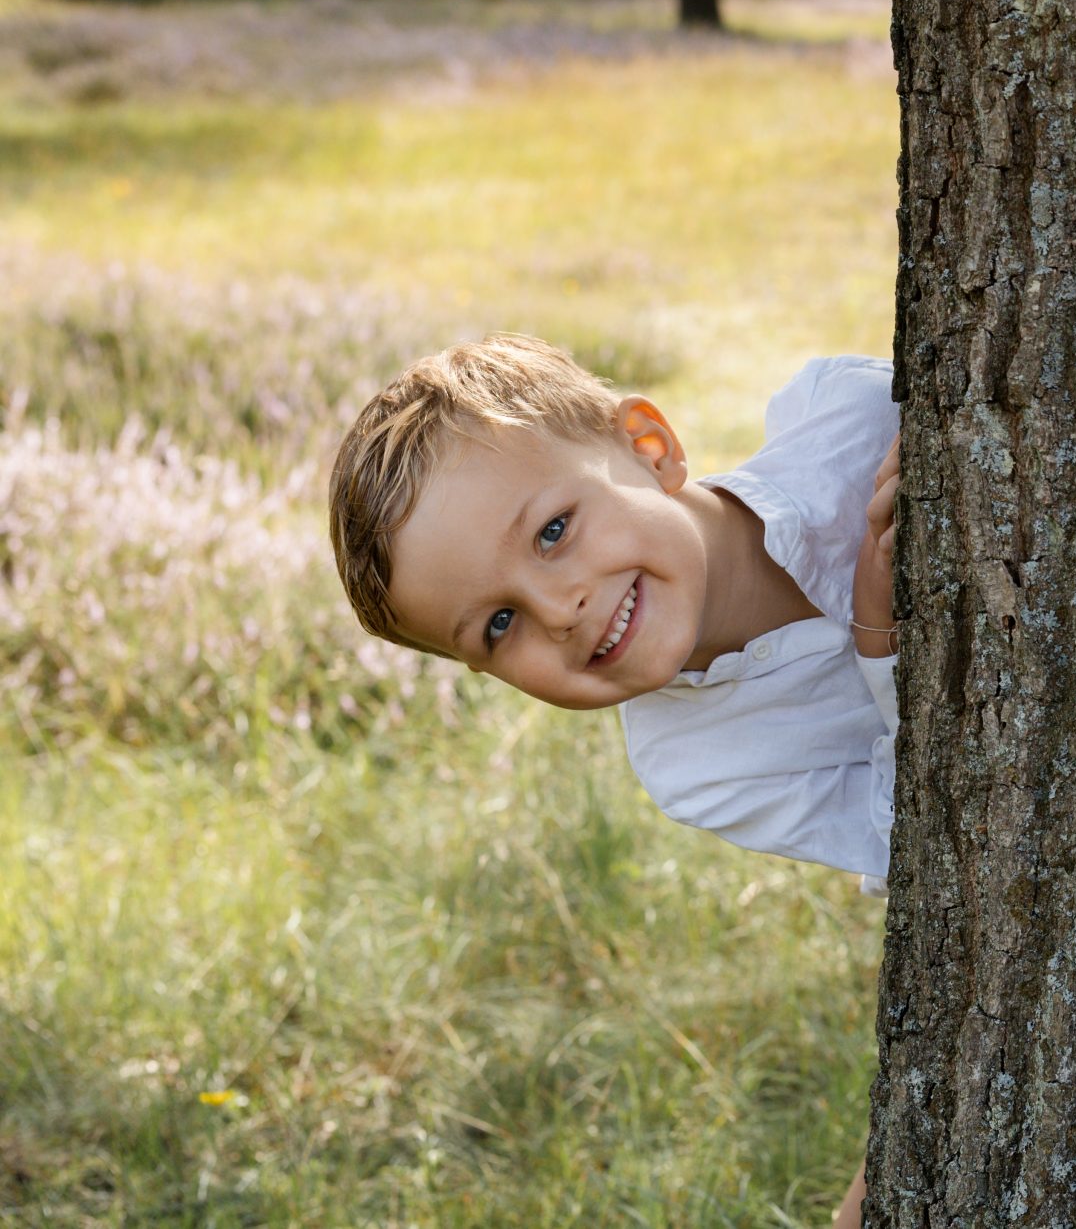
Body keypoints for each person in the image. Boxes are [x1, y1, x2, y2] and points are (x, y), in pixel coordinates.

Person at [326, 333, 898, 1224]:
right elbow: (926, 853)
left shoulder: (848, 421)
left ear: (649, 446)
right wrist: (882, 644)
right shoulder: (697, 766)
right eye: (499, 623)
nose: (559, 612)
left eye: (554, 531)